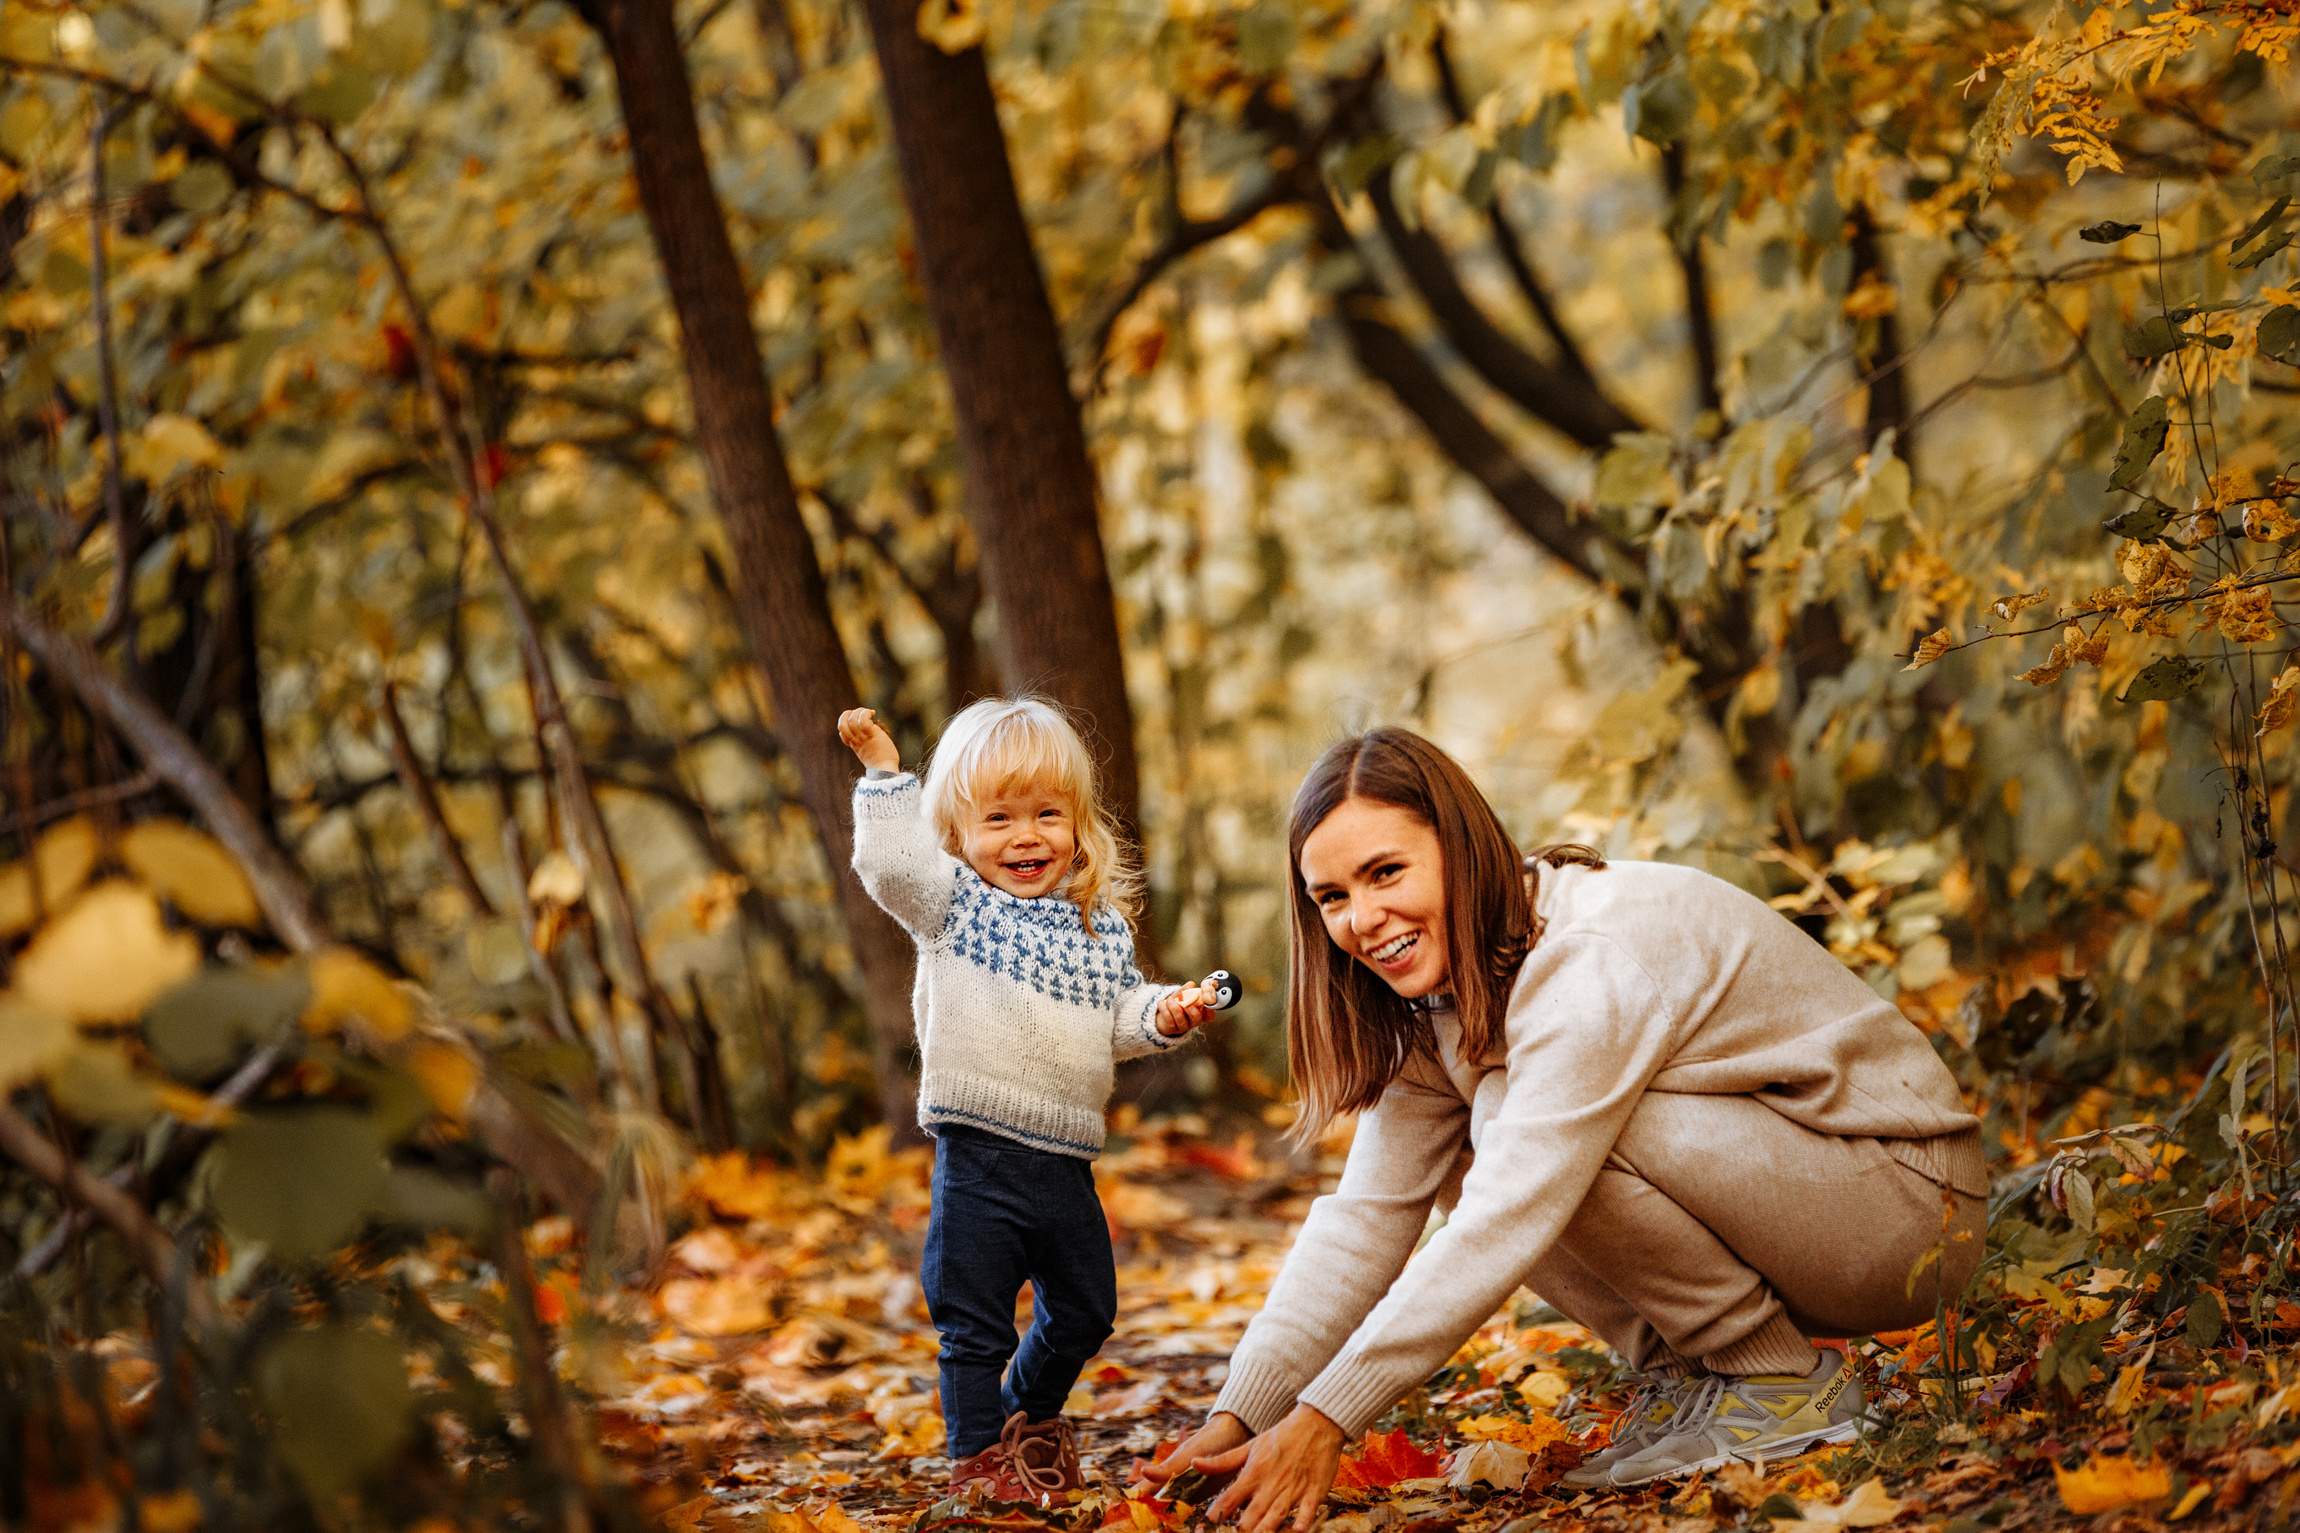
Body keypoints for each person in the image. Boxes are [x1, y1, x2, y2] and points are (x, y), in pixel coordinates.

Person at [1142, 728, 1985, 1531]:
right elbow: (1365, 1220)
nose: (1363, 917)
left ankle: (1778, 1380)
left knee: (1517, 1131)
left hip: (1908, 1212)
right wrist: (1241, 1411)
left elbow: (1509, 1211)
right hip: (1802, 1199)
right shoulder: (1435, 998)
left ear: (1460, 848)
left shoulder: (1588, 955)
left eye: (1387, 870)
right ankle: (1694, 1374)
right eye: (1332, 895)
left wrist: (1328, 1416)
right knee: (1477, 1143)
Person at [839, 697, 1227, 1504]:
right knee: (972, 1322)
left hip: (1065, 1164)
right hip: (978, 1159)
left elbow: (1115, 1017)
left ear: (1079, 824)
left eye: (1049, 814)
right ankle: (980, 1465)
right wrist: (883, 773)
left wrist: (1164, 1013)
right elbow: (891, 868)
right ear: (957, 831)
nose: (1027, 836)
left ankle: (1027, 1413)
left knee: (1086, 1309)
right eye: (1000, 818)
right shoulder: (952, 905)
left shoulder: (1098, 928)